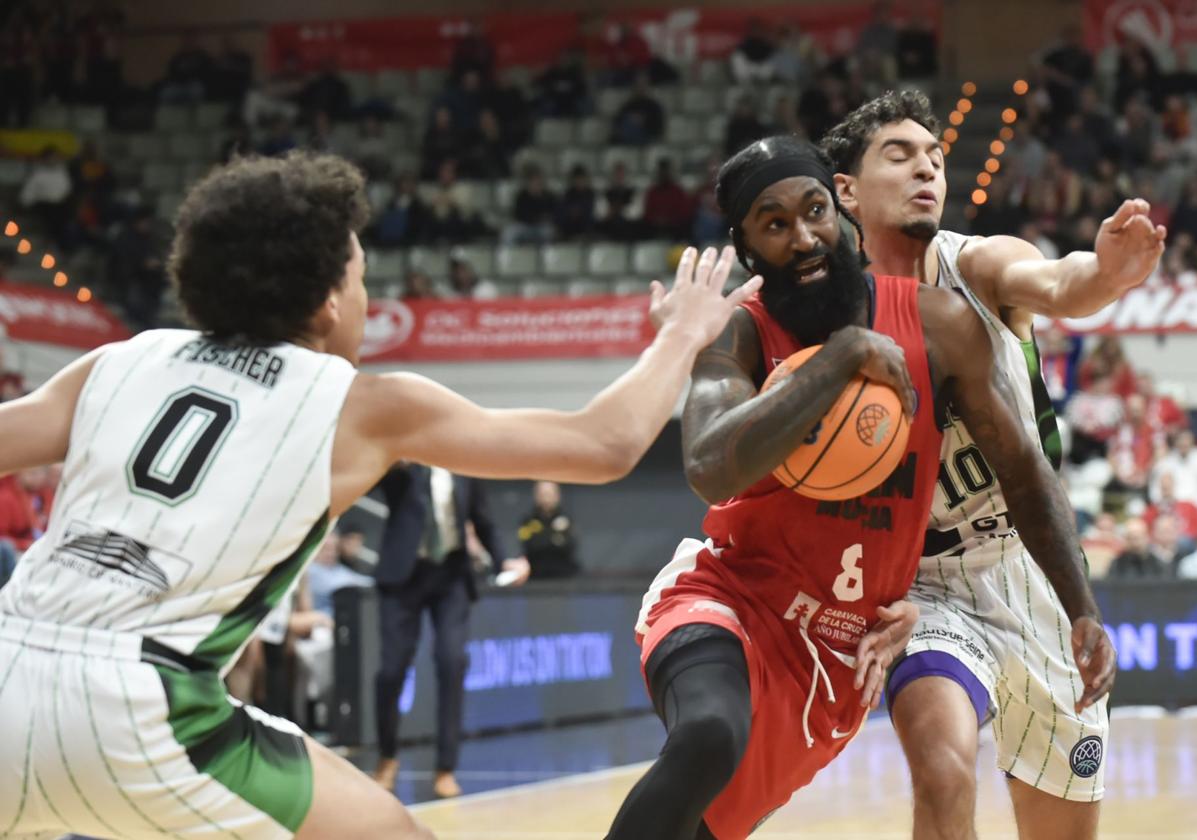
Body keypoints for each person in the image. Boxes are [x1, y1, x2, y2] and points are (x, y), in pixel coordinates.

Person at [0, 151, 760, 840]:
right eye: (362, 278)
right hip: (147, 710)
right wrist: (683, 335)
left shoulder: (120, 360)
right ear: (330, 299)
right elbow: (604, 444)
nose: (366, 298)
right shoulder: (362, 404)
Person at [605, 137, 1111, 840]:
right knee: (708, 737)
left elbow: (1023, 472)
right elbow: (709, 466)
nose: (804, 237)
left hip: (834, 651)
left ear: (841, 212)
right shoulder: (741, 336)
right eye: (774, 224)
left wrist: (1078, 602)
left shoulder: (938, 324)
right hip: (731, 598)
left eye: (813, 211)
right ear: (748, 249)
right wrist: (840, 360)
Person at [822, 89, 1160, 840]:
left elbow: (1057, 282)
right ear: (846, 190)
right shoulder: (821, 312)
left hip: (1029, 563)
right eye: (900, 155)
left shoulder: (974, 265)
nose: (926, 171)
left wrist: (1105, 275)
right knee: (942, 772)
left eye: (935, 159)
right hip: (919, 587)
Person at [371, 464, 513, 799]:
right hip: (403, 577)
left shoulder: (464, 466)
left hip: (451, 576)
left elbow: (483, 520)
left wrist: (504, 560)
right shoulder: (404, 466)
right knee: (391, 671)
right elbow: (382, 480)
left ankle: (446, 768)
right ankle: (387, 757)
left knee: (452, 662)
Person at [518, 480, 580, 579]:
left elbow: (570, 545)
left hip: (564, 576)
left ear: (557, 496)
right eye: (542, 494)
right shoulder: (528, 521)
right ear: (536, 495)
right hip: (535, 576)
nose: (546, 498)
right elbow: (529, 545)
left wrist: (542, 536)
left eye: (549, 494)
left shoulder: (566, 520)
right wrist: (554, 535)